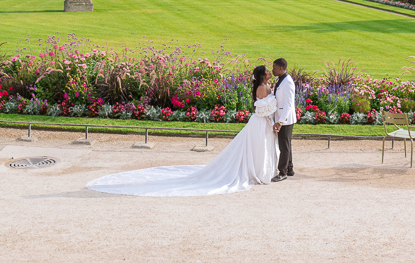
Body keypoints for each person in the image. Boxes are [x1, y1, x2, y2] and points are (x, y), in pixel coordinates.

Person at [86, 65, 279, 196]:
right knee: (256, 148)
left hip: (262, 123)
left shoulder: (264, 86)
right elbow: (262, 108)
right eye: (268, 72)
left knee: (258, 148)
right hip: (259, 122)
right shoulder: (262, 88)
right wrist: (275, 102)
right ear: (263, 75)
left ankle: (259, 169)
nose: (270, 72)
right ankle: (256, 171)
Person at [271, 58, 296, 181]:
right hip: (282, 117)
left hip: (285, 119)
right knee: (286, 144)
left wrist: (281, 121)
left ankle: (283, 172)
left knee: (283, 146)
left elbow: (288, 104)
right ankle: (289, 168)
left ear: (281, 68)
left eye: (274, 68)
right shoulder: (281, 79)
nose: (272, 70)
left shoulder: (288, 82)